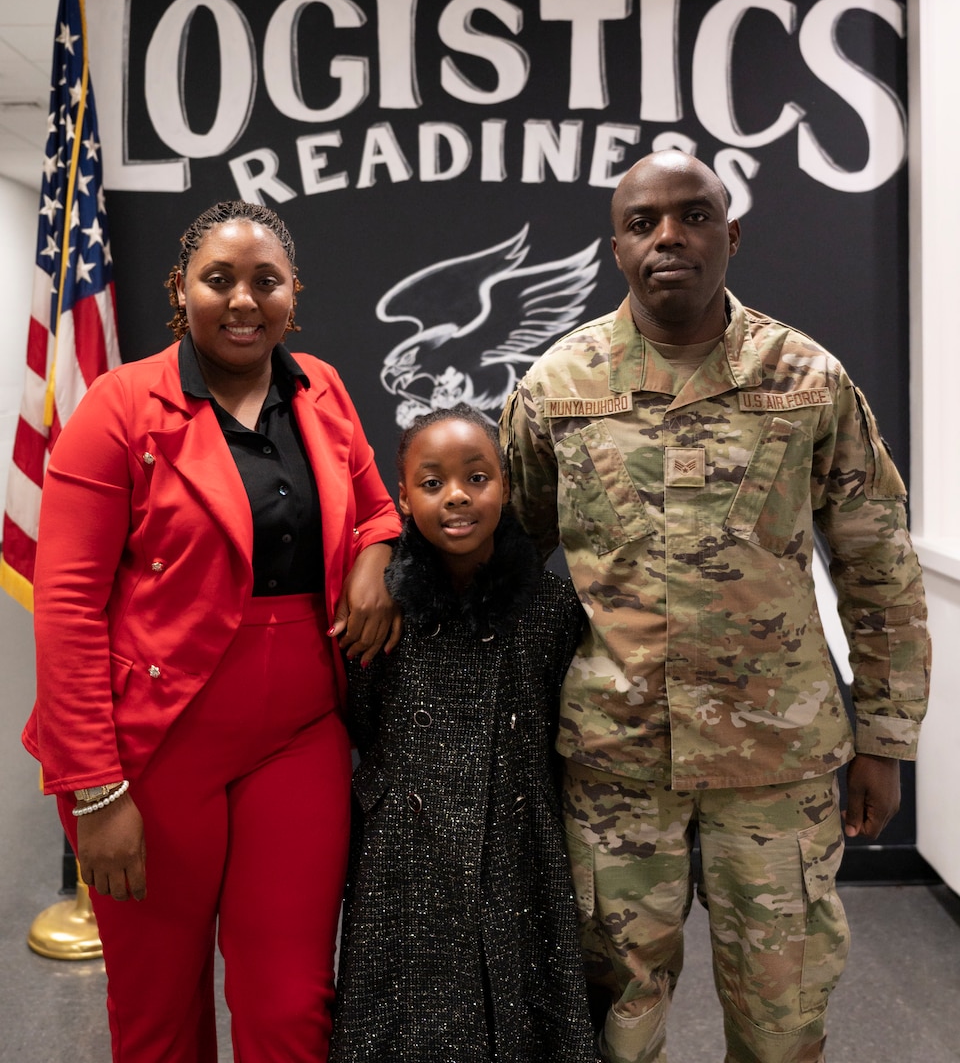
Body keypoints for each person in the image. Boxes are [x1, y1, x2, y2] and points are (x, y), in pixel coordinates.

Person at [500, 151, 931, 1063]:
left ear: (729, 235)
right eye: (643, 222)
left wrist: (888, 741)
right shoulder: (558, 386)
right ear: (616, 246)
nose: (669, 237)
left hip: (776, 760)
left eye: (693, 217)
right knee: (611, 1019)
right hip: (617, 762)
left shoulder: (806, 376)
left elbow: (878, 564)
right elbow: (506, 561)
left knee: (785, 1022)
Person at [23, 200, 402, 1063]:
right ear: (180, 289)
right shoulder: (119, 407)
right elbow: (69, 603)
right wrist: (96, 791)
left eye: (265, 281)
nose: (243, 300)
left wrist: (377, 554)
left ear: (292, 294)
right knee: (158, 1018)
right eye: (218, 279)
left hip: (298, 739)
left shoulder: (324, 389)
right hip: (152, 753)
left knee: (291, 1008)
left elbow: (378, 507)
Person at [330, 404, 597, 1063]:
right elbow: (359, 713)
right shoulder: (380, 606)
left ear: (505, 485)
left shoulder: (551, 607)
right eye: (433, 482)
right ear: (403, 496)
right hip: (404, 857)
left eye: (477, 478)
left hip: (520, 847)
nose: (457, 496)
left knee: (522, 1012)